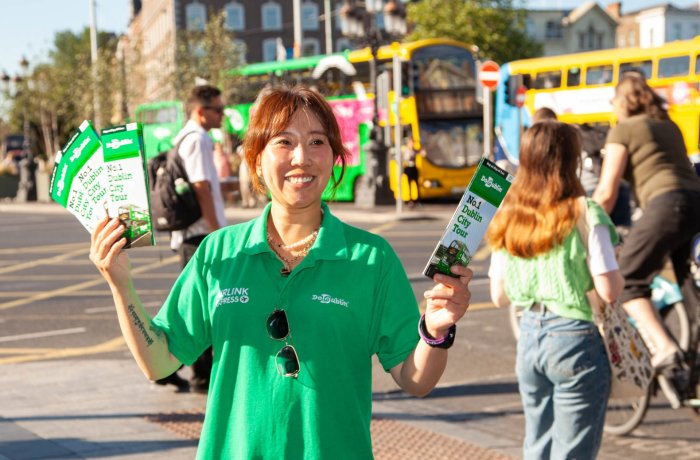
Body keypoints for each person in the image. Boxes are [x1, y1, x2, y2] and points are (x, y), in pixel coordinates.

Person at [90, 85, 473, 459]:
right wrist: (121, 286)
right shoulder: (218, 253)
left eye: (318, 141)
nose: (302, 157)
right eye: (284, 142)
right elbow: (159, 361)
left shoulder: (371, 258)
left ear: (335, 156)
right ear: (257, 158)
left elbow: (416, 380)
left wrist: (436, 332)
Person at [487, 120, 623, 459]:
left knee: (537, 443)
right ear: (571, 160)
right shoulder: (583, 211)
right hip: (576, 338)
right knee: (572, 449)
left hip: (530, 338)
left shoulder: (510, 216)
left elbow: (498, 296)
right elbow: (608, 289)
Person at [593, 75, 700, 372]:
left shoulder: (624, 129)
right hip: (695, 202)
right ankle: (693, 359)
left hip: (667, 205)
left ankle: (665, 348)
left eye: (613, 101)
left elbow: (606, 191)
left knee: (627, 279)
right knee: (686, 281)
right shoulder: (669, 126)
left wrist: (590, 224)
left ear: (623, 101)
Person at [155, 84, 228, 393]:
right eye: (218, 110)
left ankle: (171, 368)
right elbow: (201, 188)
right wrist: (216, 232)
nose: (223, 115)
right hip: (199, 236)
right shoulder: (197, 139)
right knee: (201, 307)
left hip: (192, 235)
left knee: (200, 304)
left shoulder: (185, 137)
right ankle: (190, 373)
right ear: (201, 111)